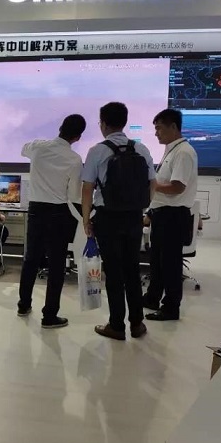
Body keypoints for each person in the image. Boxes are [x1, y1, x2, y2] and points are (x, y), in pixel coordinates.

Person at [82, 102, 155, 341]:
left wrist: (86, 219)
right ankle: (137, 323)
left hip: (107, 218)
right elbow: (152, 184)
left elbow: (87, 188)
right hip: (134, 217)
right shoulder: (141, 148)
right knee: (132, 269)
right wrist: (143, 209)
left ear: (103, 123)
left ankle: (116, 325)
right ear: (124, 122)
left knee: (113, 272)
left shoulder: (97, 151)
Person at [17, 114, 87, 329]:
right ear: (78, 137)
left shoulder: (38, 147)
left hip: (36, 210)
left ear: (60, 127)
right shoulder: (75, 159)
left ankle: (23, 305)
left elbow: (23, 149)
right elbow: (74, 194)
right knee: (57, 265)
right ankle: (49, 316)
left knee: (31, 259)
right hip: (59, 214)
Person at [143, 109, 198, 321]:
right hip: (162, 214)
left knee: (170, 265)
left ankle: (171, 307)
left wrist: (152, 186)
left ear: (173, 127)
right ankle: (152, 297)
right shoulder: (172, 150)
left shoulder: (183, 152)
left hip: (173, 216)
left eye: (159, 128)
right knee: (156, 262)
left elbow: (177, 187)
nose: (156, 133)